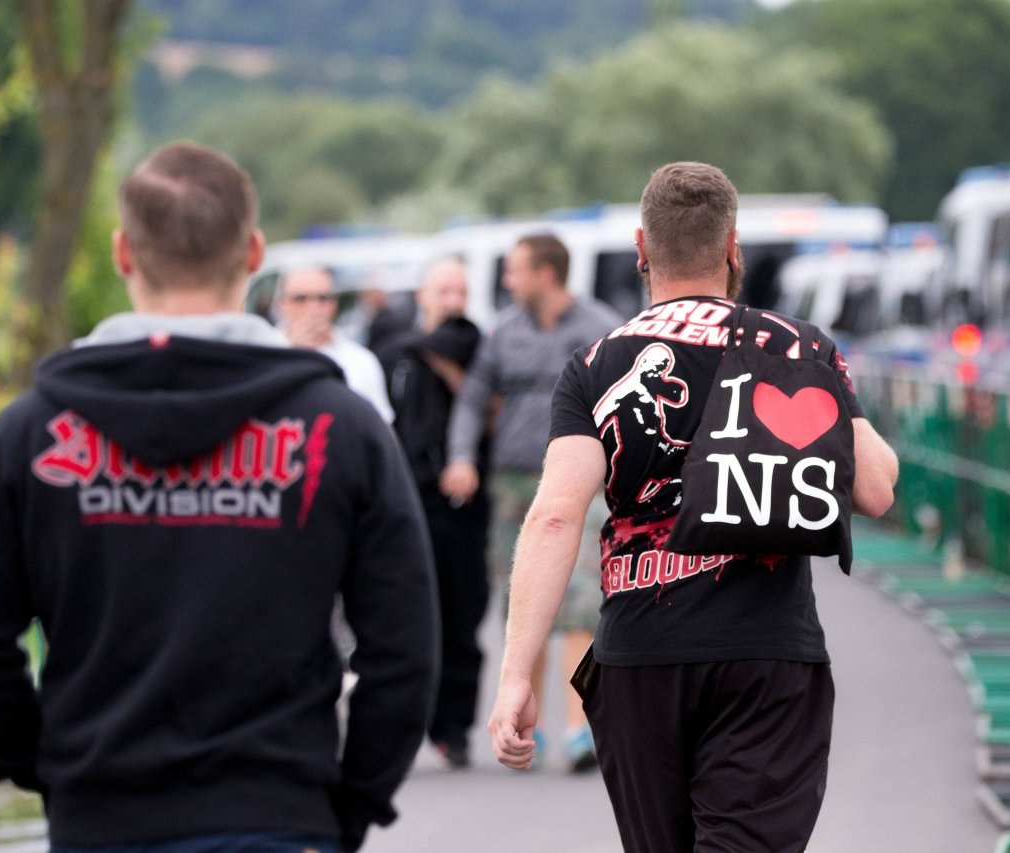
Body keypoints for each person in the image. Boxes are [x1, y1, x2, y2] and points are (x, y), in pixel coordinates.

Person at [0, 141, 439, 853]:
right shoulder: (337, 425)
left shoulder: (34, 430)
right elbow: (406, 644)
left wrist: (55, 769)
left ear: (123, 253)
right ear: (255, 252)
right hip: (280, 815)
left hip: (102, 818)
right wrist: (350, 801)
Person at [488, 162, 899, 852]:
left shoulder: (597, 362)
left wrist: (514, 678)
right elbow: (877, 488)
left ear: (643, 248)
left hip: (640, 658)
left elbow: (556, 514)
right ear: (732, 246)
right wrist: (831, 377)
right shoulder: (798, 345)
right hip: (767, 656)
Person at [440, 233, 621, 772]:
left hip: (580, 484)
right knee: (522, 601)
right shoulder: (505, 333)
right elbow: (473, 399)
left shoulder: (598, 328)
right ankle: (527, 726)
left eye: (514, 270)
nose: (506, 281)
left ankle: (579, 727)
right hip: (513, 483)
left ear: (546, 274)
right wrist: (460, 456)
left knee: (582, 601)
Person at [375, 257, 489, 769]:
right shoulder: (394, 353)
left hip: (462, 502)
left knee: (463, 615)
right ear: (422, 293)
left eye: (461, 291)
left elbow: (492, 408)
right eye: (444, 290)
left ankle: (455, 728)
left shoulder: (473, 344)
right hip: (405, 497)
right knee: (405, 616)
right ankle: (406, 723)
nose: (453, 300)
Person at [276, 266, 396, 424]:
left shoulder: (361, 361)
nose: (314, 307)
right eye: (301, 299)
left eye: (323, 298)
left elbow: (381, 426)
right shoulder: (262, 355)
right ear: (282, 304)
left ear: (334, 304)